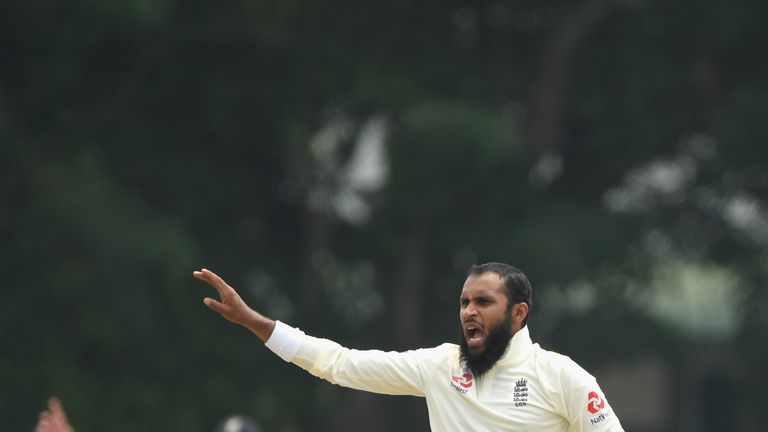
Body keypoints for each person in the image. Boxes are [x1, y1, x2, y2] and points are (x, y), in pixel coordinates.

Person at [194, 262, 625, 431]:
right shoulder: (439, 366)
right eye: (464, 302)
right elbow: (338, 364)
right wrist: (254, 322)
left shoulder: (563, 377)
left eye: (483, 302)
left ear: (519, 313)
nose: (469, 312)